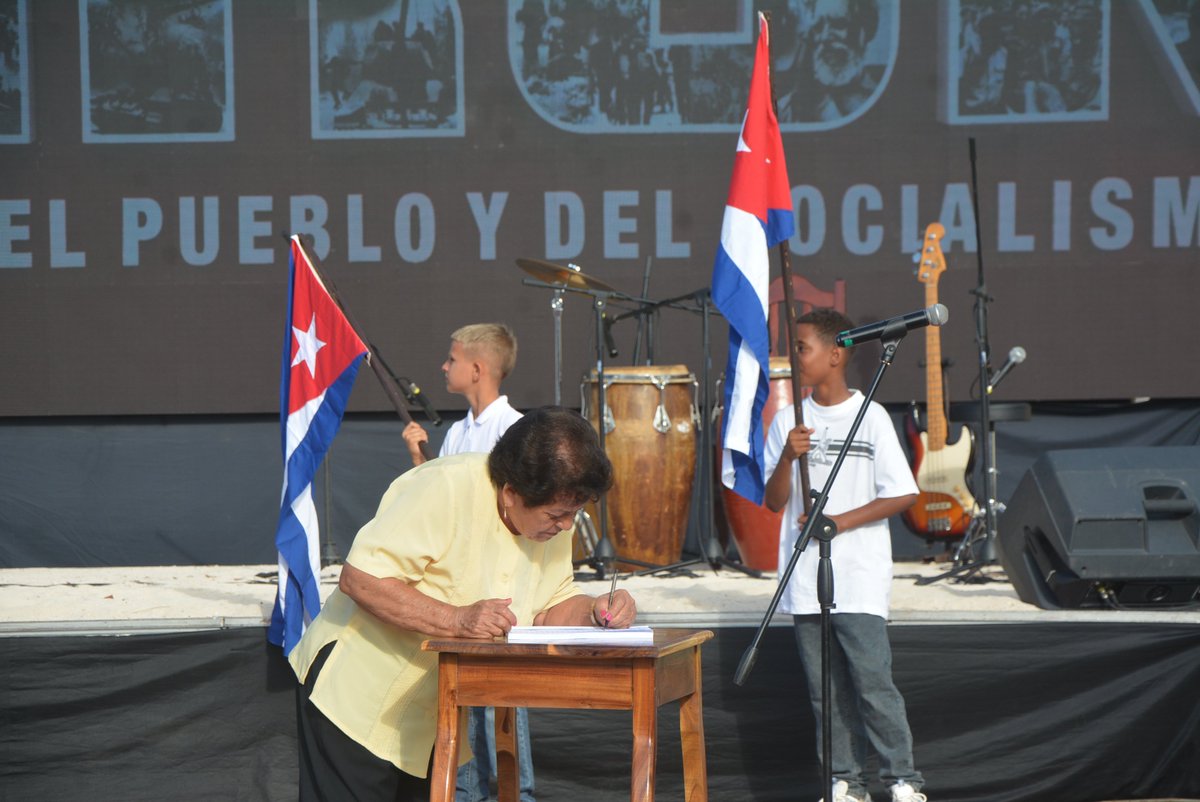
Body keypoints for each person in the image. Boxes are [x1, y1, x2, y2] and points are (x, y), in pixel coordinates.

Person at [289, 406, 637, 802]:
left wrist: (595, 611)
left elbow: (549, 608)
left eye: (574, 513)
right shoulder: (446, 486)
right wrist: (457, 618)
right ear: (510, 493)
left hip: (432, 719)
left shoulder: (549, 522)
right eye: (558, 515)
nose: (566, 526)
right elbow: (362, 579)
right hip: (355, 697)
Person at [763, 308, 926, 802]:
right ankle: (845, 784)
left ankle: (902, 781)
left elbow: (903, 492)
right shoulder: (790, 421)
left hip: (857, 574)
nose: (796, 358)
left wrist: (838, 523)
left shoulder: (870, 414)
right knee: (825, 692)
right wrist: (789, 458)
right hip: (805, 578)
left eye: (804, 348)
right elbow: (773, 503)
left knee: (873, 685)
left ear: (836, 355)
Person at [401, 322, 534, 802]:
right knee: (459, 726)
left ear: (477, 369)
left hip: (500, 598)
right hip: (460, 599)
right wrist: (421, 462)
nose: (444, 366)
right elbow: (441, 506)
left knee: (501, 717)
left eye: (452, 359)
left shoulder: (515, 430)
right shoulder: (457, 433)